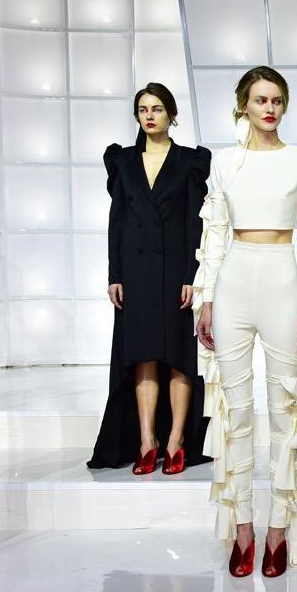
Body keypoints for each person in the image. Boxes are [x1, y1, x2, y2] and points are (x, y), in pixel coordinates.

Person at [194, 66, 297, 578]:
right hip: (233, 282)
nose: (269, 108)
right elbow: (214, 233)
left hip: (282, 281)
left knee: (284, 411)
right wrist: (206, 299)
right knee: (234, 411)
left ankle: (278, 530)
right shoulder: (224, 162)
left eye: (276, 100)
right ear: (244, 105)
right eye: (260, 100)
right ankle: (243, 530)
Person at [88, 83, 210, 476]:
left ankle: (175, 441)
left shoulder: (190, 161)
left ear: (172, 114)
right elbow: (117, 221)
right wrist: (114, 274)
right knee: (142, 356)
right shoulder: (123, 161)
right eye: (143, 109)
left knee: (178, 357)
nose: (150, 116)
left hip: (176, 271)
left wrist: (193, 274)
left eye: (157, 109)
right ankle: (146, 441)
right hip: (136, 271)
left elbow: (195, 223)